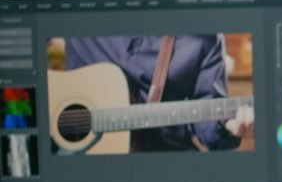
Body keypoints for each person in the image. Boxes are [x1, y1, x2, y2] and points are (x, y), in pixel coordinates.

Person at [61, 35, 252, 152]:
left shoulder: (203, 37)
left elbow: (207, 112)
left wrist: (225, 124)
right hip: (80, 165)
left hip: (168, 160)